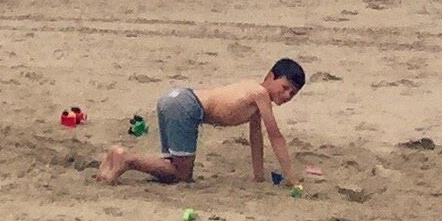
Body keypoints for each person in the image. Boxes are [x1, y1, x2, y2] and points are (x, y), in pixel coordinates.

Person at [97, 61, 307, 185]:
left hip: (175, 98)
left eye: (293, 93)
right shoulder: (260, 93)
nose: (287, 95)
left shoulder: (254, 96)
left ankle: (110, 163)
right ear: (271, 76)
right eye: (285, 87)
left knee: (169, 169)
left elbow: (256, 138)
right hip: (188, 106)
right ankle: (126, 158)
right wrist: (291, 178)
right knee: (181, 175)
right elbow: (275, 136)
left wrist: (259, 177)